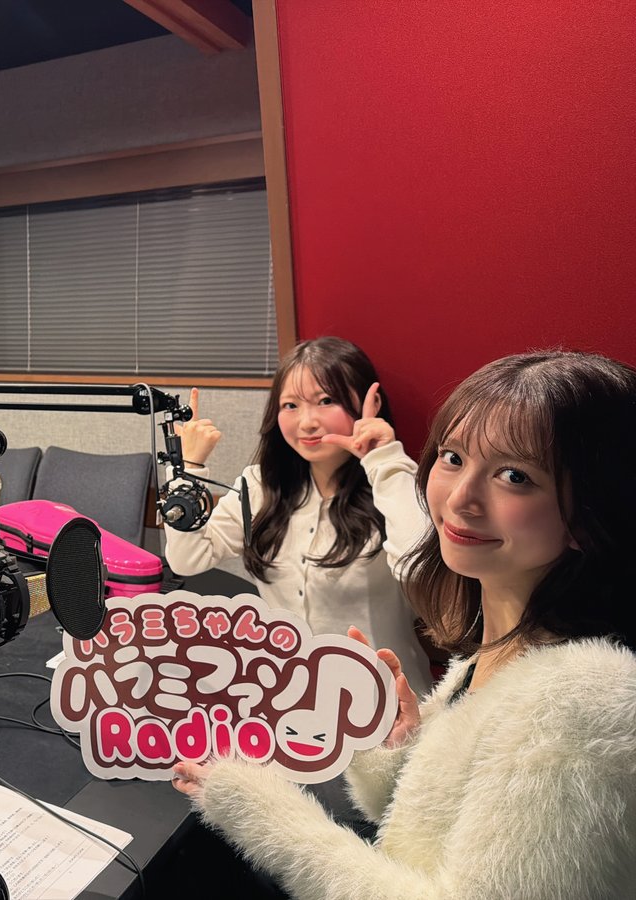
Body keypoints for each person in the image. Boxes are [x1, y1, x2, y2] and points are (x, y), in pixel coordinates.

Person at [172, 350, 636, 899]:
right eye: (453, 457)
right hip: (298, 709)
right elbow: (429, 821)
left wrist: (263, 813)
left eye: (515, 476)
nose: (460, 499)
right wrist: (401, 746)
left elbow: (418, 560)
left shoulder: (582, 704)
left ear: (594, 511)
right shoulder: (490, 655)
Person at [164, 337, 432, 693]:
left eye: (326, 401)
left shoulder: (394, 484)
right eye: (290, 405)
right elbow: (187, 560)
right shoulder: (260, 486)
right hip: (286, 698)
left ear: (372, 403)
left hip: (386, 700)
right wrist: (188, 470)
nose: (307, 422)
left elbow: (421, 568)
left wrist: (382, 458)